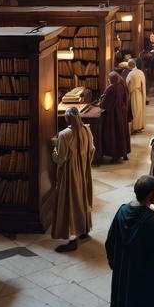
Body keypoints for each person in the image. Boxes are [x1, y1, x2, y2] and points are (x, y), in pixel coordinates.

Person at [107, 175, 154, 307]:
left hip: (124, 274)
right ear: (151, 194)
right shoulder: (150, 221)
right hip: (144, 281)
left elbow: (110, 243)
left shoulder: (122, 210)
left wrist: (117, 267)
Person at [48, 107, 95, 252]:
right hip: (83, 171)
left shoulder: (64, 135)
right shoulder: (86, 129)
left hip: (69, 174)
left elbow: (60, 158)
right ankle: (84, 230)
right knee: (82, 199)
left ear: (67, 118)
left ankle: (72, 239)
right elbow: (92, 150)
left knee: (70, 203)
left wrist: (54, 147)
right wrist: (84, 164)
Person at [98, 71, 131, 162]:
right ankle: (124, 153)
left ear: (111, 79)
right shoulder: (122, 86)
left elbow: (104, 104)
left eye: (109, 79)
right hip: (122, 113)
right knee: (122, 133)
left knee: (113, 134)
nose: (108, 81)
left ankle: (115, 155)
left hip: (113, 115)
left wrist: (100, 101)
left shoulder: (110, 88)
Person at [122, 61, 146, 134]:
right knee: (139, 110)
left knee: (134, 110)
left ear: (129, 66)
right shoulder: (141, 72)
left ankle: (135, 127)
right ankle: (140, 126)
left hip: (134, 94)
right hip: (140, 93)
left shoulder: (131, 74)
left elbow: (126, 83)